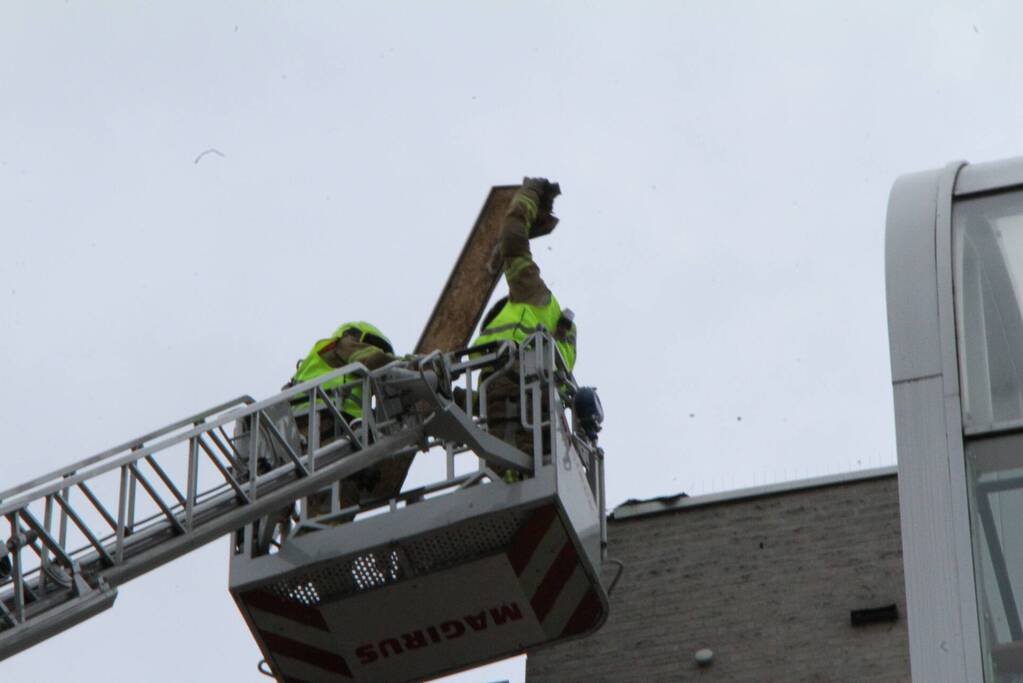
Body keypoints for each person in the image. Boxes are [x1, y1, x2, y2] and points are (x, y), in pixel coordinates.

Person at [472, 178, 578, 476]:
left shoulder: (531, 293)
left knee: (508, 470)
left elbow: (513, 238)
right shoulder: (556, 341)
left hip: (510, 385)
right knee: (516, 469)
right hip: (522, 399)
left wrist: (530, 194)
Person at [287, 321, 398, 521]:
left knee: (339, 490)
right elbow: (375, 360)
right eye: (372, 344)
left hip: (313, 429)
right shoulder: (344, 345)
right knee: (336, 487)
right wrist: (410, 364)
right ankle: (323, 530)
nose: (374, 349)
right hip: (324, 422)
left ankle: (319, 532)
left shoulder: (325, 364)